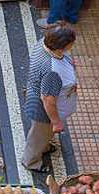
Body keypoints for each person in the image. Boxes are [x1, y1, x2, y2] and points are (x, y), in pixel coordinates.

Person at [22, 22, 77, 173]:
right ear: (60, 48)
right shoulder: (52, 72)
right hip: (43, 110)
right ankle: (31, 162)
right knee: (39, 135)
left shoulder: (44, 44)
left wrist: (67, 61)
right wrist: (56, 122)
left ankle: (45, 145)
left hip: (37, 93)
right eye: (71, 44)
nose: (72, 45)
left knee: (44, 134)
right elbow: (48, 100)